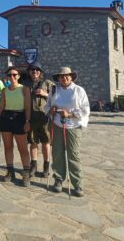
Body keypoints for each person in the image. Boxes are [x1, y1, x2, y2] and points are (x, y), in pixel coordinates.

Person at [45, 67, 90, 197]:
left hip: (74, 127)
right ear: (58, 78)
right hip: (57, 125)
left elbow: (85, 110)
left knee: (74, 155)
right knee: (57, 153)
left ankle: (77, 183)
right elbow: (47, 106)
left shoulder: (79, 90)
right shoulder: (54, 90)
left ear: (71, 77)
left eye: (67, 76)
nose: (64, 78)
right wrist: (51, 110)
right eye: (61, 76)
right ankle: (58, 179)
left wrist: (70, 114)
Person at [0, 66, 31, 187]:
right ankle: (10, 172)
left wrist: (27, 121)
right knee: (8, 146)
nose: (12, 77)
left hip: (20, 118)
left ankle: (26, 173)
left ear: (19, 76)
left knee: (22, 148)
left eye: (14, 75)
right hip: (6, 118)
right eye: (9, 75)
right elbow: (1, 105)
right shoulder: (4, 90)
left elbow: (27, 106)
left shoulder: (24, 89)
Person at [24, 62, 54, 178]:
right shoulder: (26, 84)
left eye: (37, 70)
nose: (34, 72)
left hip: (44, 118)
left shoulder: (47, 83)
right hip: (31, 118)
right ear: (29, 72)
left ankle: (46, 167)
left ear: (40, 72)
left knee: (46, 143)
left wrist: (44, 93)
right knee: (33, 142)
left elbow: (56, 97)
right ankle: (33, 166)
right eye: (32, 70)